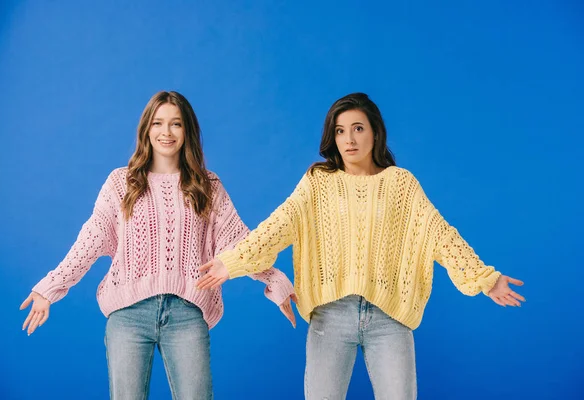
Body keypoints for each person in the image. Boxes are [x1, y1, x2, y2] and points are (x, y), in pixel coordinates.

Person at [197, 92, 525, 400]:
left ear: (375, 133)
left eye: (357, 128)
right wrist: (233, 261)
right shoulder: (318, 181)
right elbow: (279, 225)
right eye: (340, 131)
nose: (349, 139)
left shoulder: (401, 184)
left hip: (389, 316)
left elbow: (440, 234)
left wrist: (486, 279)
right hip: (331, 315)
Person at [20, 90, 296, 400]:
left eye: (176, 124)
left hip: (187, 313)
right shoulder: (121, 183)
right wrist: (50, 287)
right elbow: (91, 238)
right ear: (146, 130)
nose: (166, 132)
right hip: (128, 315)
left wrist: (274, 279)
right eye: (158, 123)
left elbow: (239, 242)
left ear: (186, 131)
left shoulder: (207, 185)